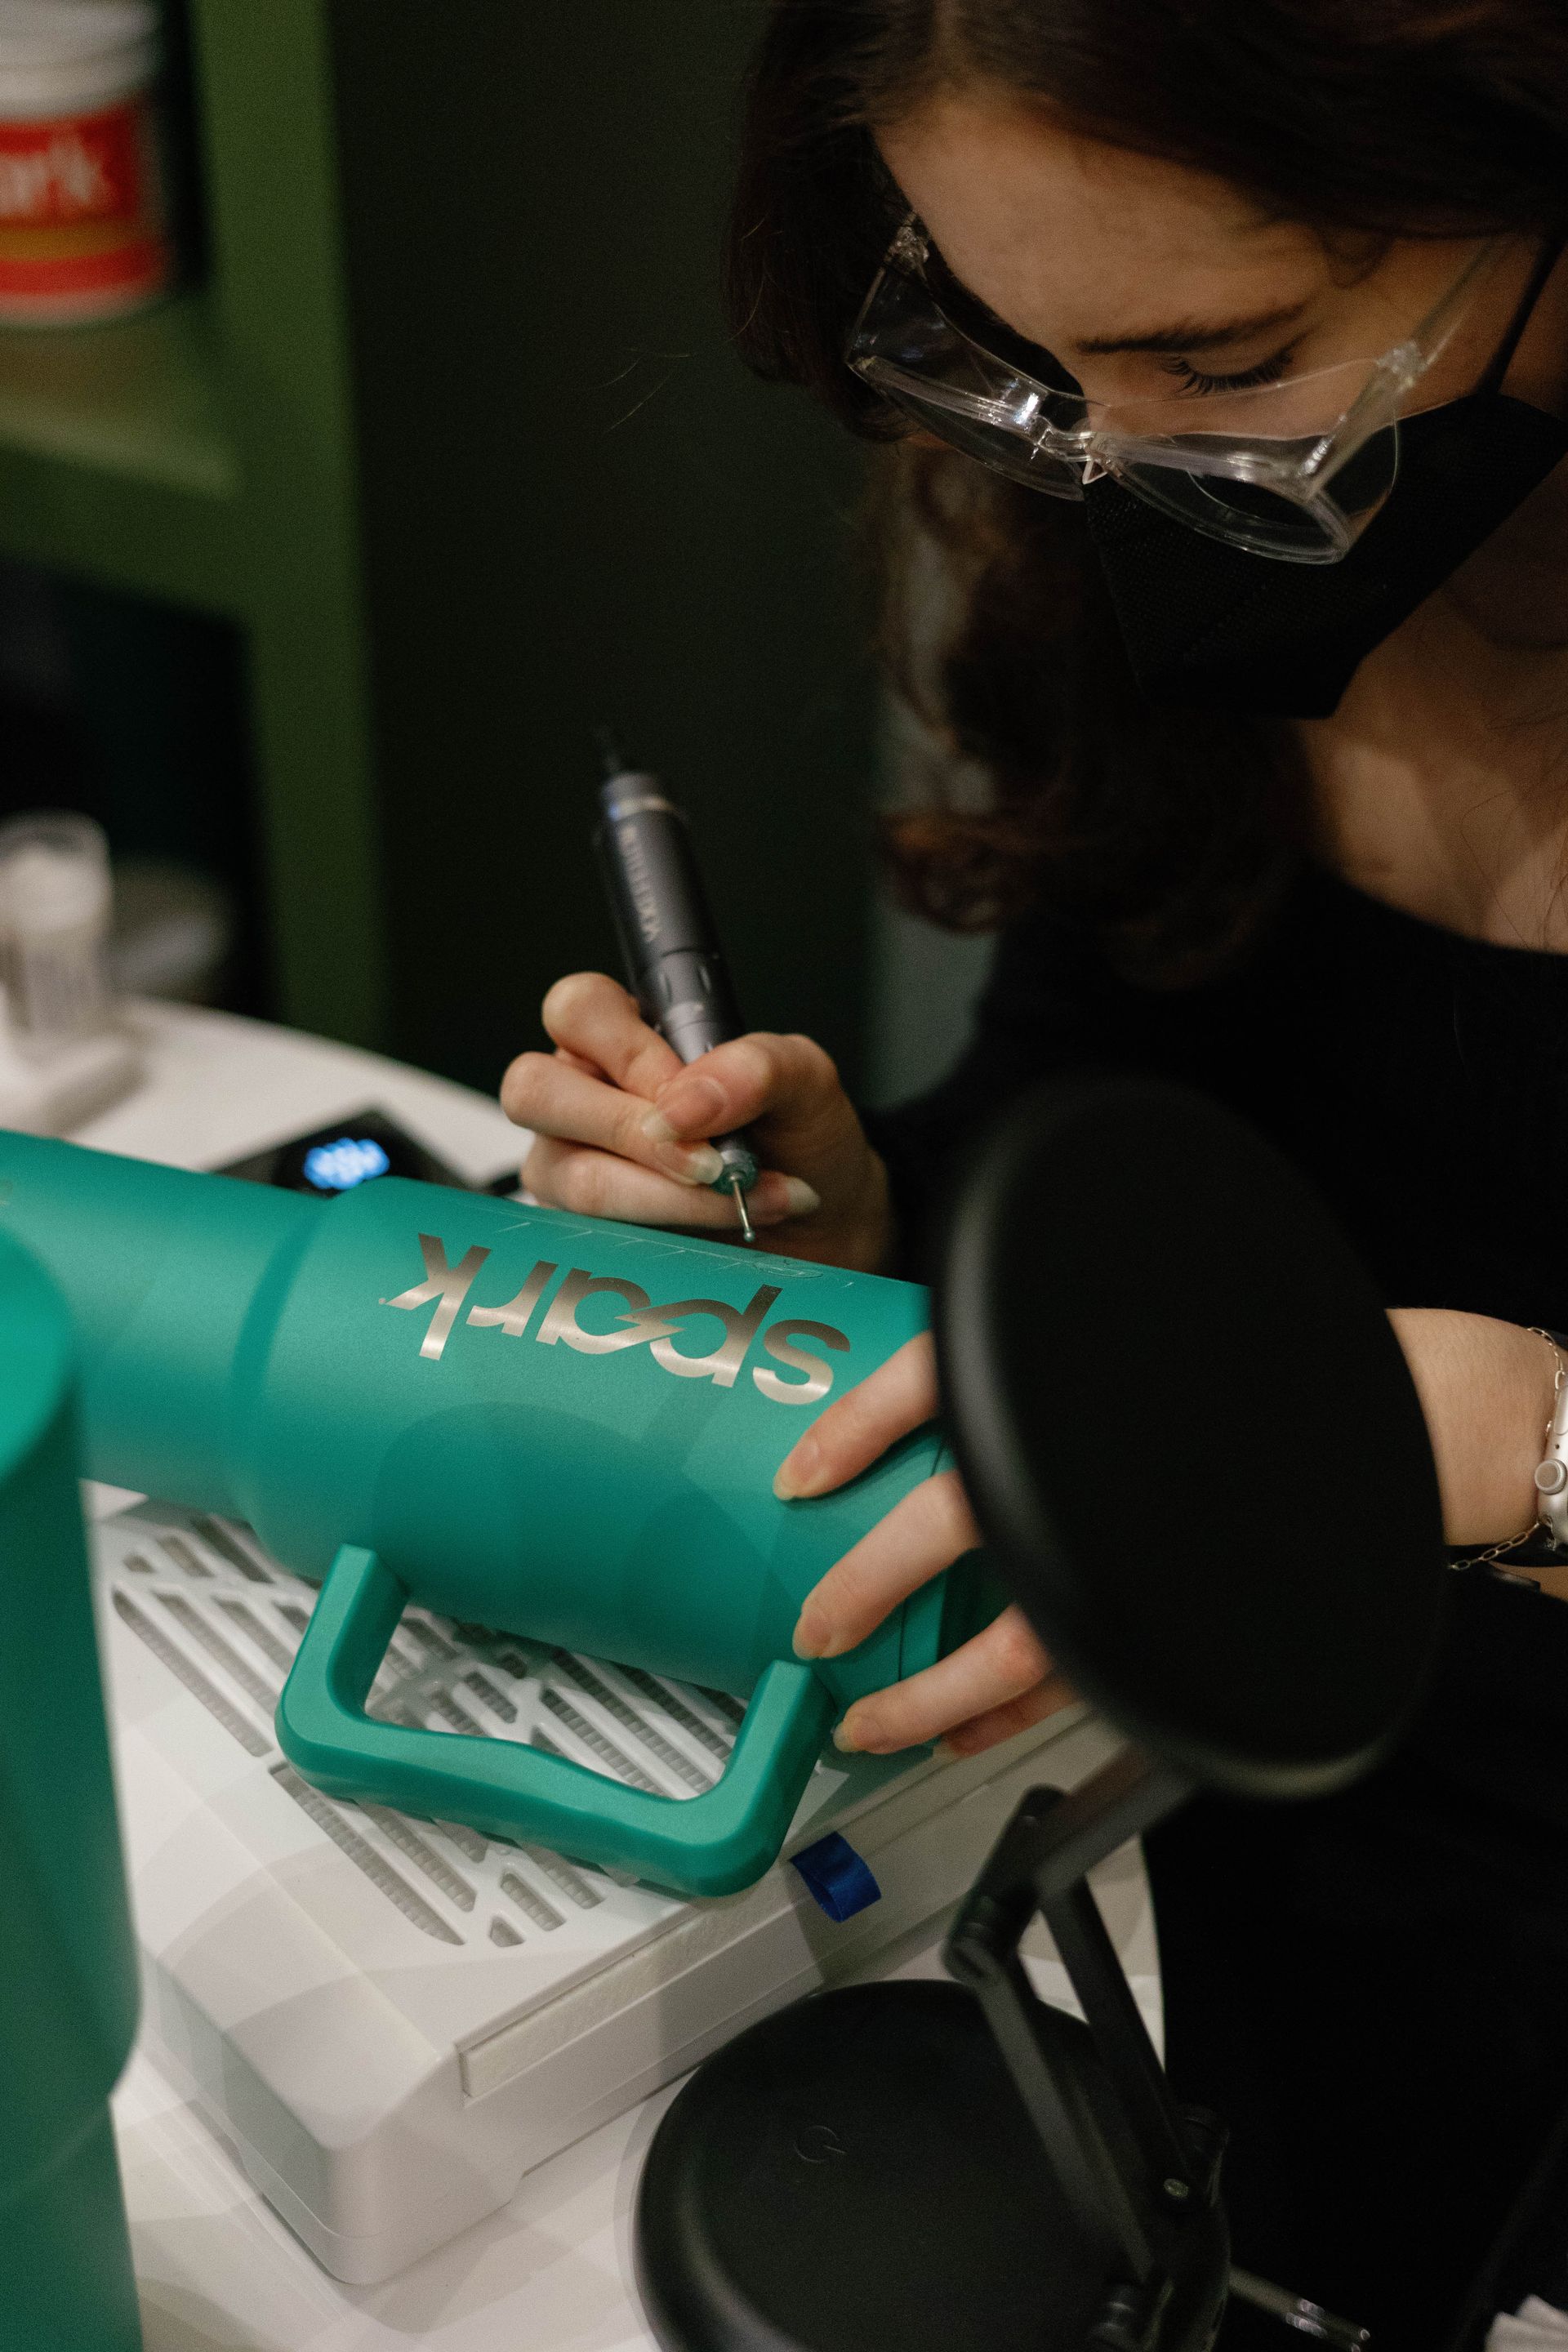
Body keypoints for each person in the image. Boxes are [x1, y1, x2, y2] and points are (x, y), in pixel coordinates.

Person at [501, 4, 1568, 2339]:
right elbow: (1123, 1123)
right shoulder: (1192, 534)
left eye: (1229, 349)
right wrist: (868, 1217)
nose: (1117, 459)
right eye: (1028, 359)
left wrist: (1539, 1447)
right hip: (1190, 1896)